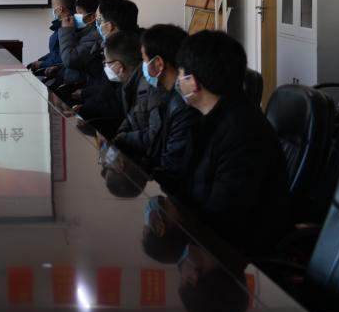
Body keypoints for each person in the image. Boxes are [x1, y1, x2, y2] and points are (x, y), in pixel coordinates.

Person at [174, 30, 292, 255]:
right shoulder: (211, 118)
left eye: (180, 75)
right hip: (201, 239)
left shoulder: (243, 133)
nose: (178, 82)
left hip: (234, 256)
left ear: (193, 82)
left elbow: (223, 218)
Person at [113, 24, 199, 188]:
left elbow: (171, 166)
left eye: (144, 60)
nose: (143, 66)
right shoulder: (168, 95)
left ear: (158, 63)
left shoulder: (182, 104)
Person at [75, 29, 141, 139]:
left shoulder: (140, 92)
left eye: (106, 61)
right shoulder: (126, 83)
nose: (105, 64)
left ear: (119, 67)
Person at [27, 0, 76, 76]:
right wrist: (41, 60)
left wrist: (42, 64)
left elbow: (61, 58)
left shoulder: (68, 27)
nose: (54, 10)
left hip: (60, 73)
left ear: (60, 9)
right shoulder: (63, 24)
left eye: (54, 7)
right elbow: (55, 52)